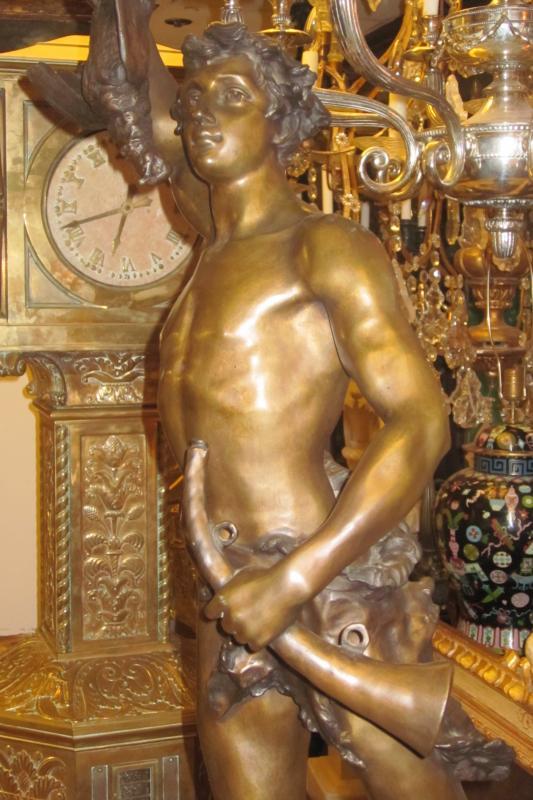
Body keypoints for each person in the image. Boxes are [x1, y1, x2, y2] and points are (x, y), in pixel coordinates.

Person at [32, 3, 512, 797]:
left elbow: (421, 423)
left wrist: (293, 580)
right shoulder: (212, 244)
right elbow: (128, 90)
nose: (201, 114)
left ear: (278, 122)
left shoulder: (325, 248)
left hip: (326, 584)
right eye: (194, 101)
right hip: (223, 589)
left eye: (231, 97)